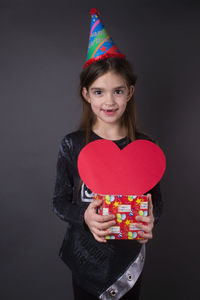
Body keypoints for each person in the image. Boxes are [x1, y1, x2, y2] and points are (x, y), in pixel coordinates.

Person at [53, 8, 163, 300]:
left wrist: (151, 218)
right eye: (99, 92)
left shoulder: (144, 148)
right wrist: (84, 216)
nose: (109, 101)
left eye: (118, 91)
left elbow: (157, 200)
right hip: (85, 261)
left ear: (129, 93)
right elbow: (59, 202)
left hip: (128, 263)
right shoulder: (72, 145)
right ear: (86, 95)